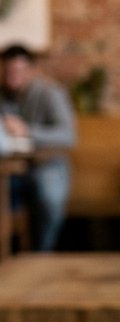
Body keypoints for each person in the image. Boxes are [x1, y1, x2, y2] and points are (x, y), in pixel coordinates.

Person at [0, 43, 76, 250]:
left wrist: (27, 130)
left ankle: (43, 253)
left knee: (49, 197)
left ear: (31, 70)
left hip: (46, 165)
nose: (11, 76)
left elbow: (68, 136)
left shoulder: (50, 93)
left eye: (17, 71)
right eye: (6, 71)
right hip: (9, 169)